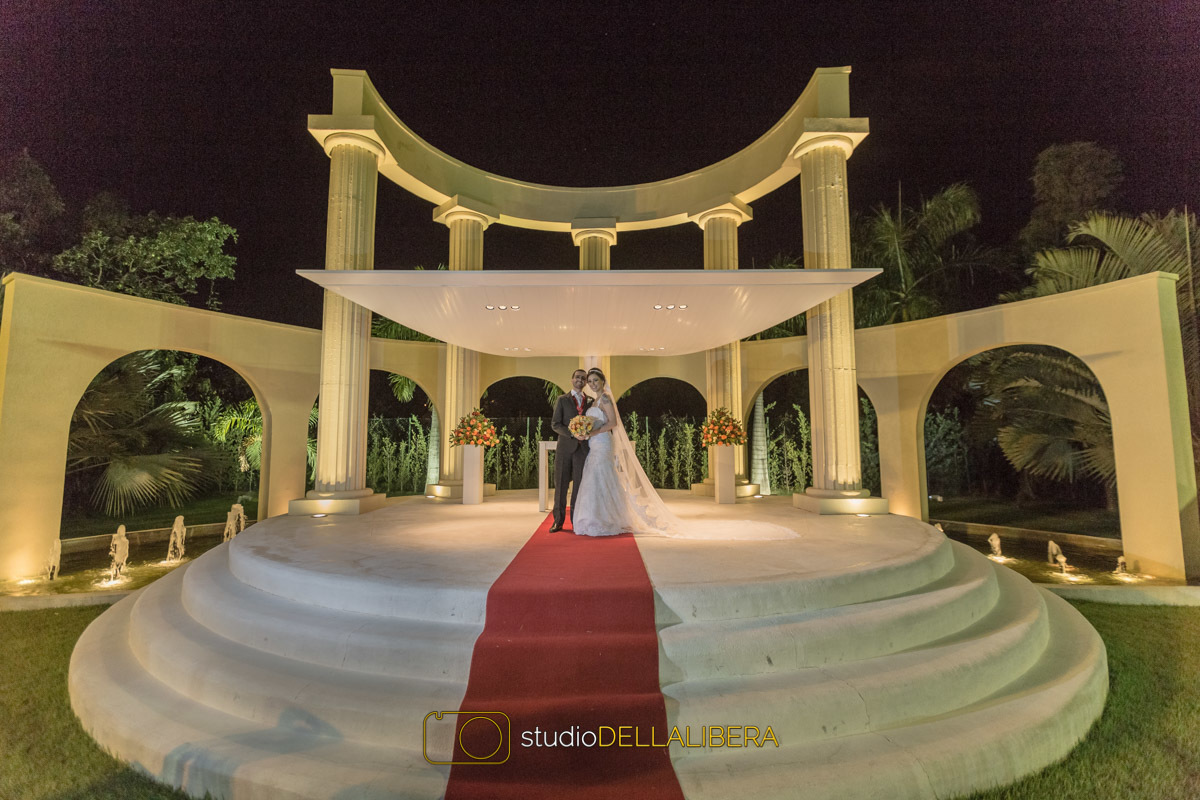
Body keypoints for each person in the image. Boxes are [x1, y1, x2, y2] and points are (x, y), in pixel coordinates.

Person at [571, 368, 796, 540]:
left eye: (595, 381)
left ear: (603, 382)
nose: (592, 384)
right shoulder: (595, 401)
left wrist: (592, 431)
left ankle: (608, 519)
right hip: (594, 444)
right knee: (595, 479)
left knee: (603, 477)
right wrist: (585, 432)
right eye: (590, 382)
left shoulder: (607, 399)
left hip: (602, 442)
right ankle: (595, 517)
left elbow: (612, 423)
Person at [549, 369, 592, 532]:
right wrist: (574, 434)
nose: (580, 380)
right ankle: (558, 521)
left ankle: (576, 521)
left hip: (583, 450)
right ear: (572, 380)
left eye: (583, 378)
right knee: (561, 485)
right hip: (565, 449)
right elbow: (555, 424)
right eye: (577, 377)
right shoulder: (562, 400)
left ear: (586, 381)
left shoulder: (591, 401)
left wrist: (586, 434)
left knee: (579, 487)